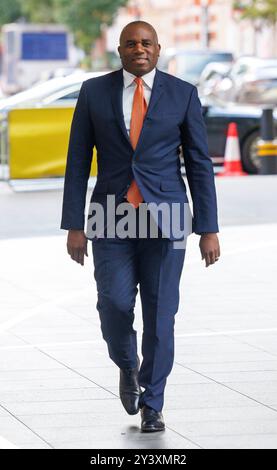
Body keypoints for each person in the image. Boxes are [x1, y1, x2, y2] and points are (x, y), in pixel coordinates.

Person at [61, 20, 220, 433]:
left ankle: (153, 403)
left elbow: (200, 165)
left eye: (146, 42)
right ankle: (127, 364)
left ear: (158, 48)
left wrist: (208, 228)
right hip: (110, 216)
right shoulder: (94, 92)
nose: (139, 49)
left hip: (166, 218)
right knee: (113, 303)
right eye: (131, 43)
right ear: (120, 50)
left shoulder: (183, 94)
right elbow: (78, 160)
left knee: (160, 313)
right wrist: (74, 225)